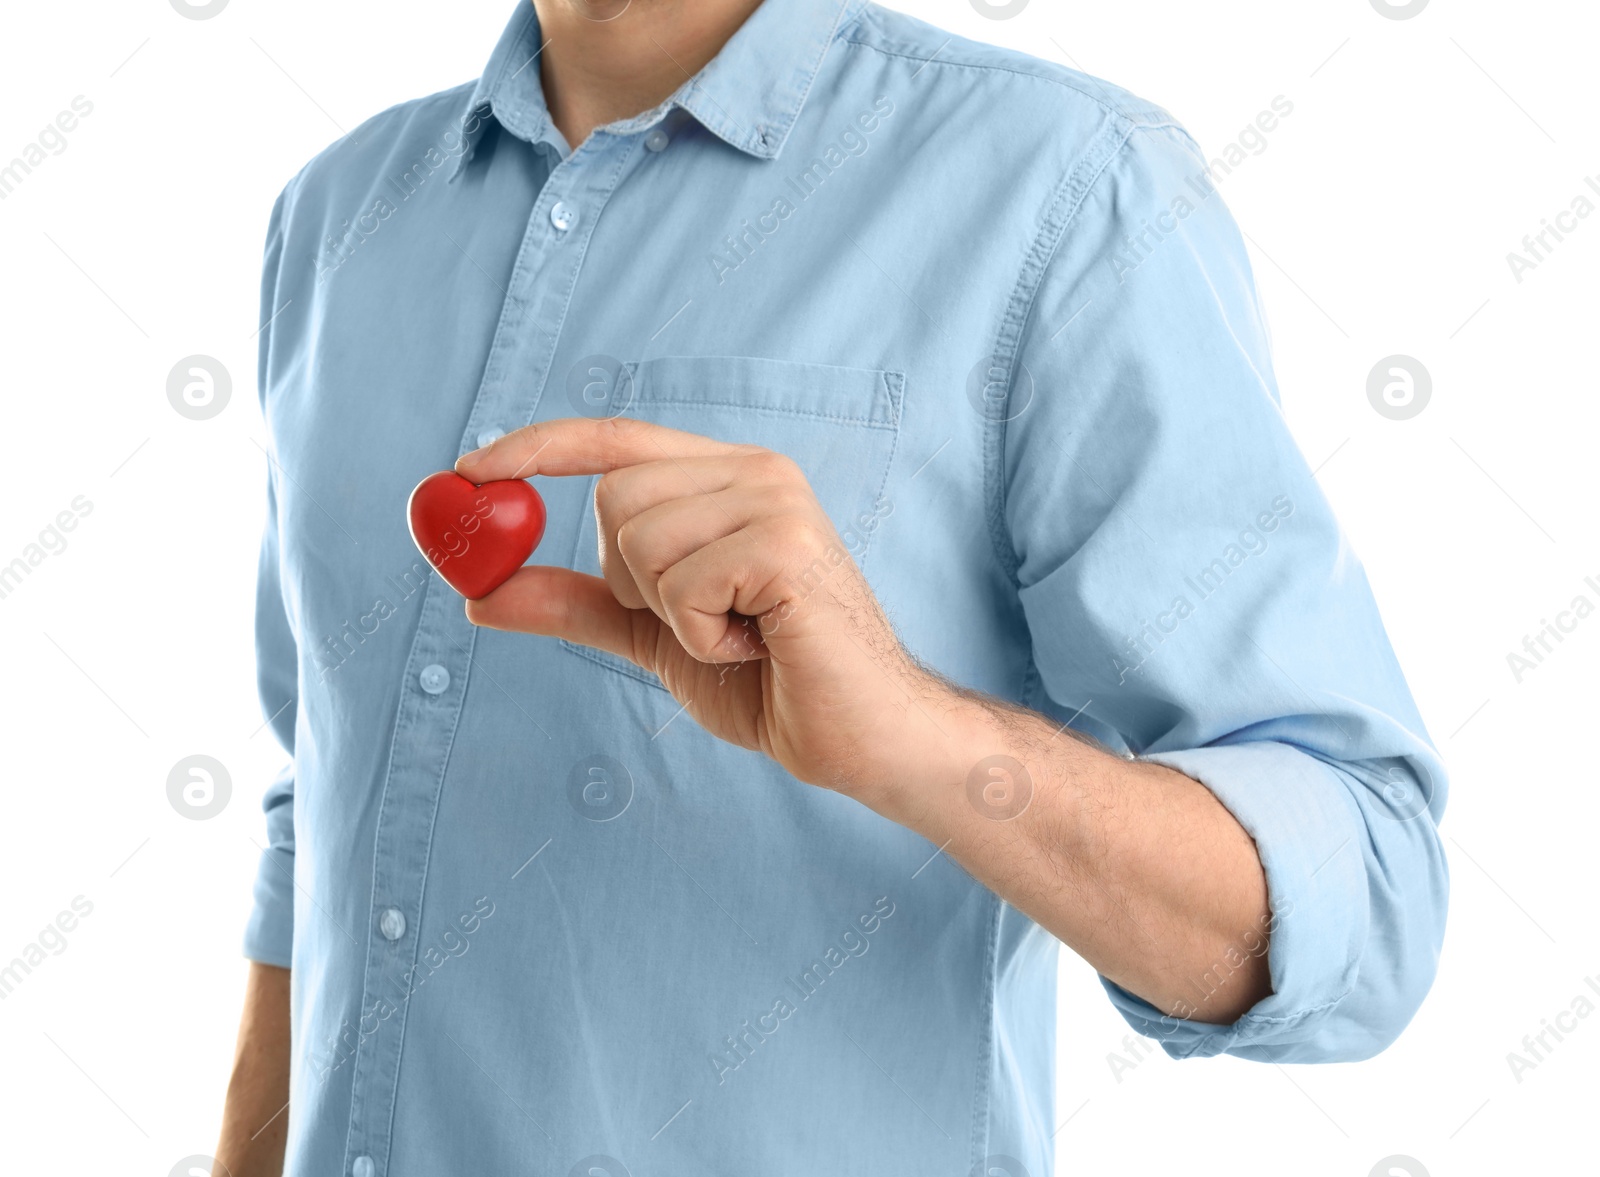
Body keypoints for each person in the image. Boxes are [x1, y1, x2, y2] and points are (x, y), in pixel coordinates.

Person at [215, 1, 1449, 1173]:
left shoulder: (1068, 189)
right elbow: (319, 810)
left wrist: (916, 737)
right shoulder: (332, 220)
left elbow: (1370, 896)